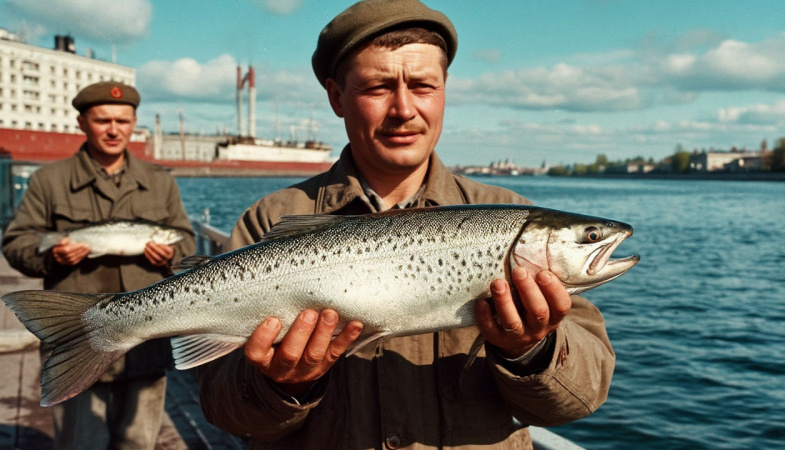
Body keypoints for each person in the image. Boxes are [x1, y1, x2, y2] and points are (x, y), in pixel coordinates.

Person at [197, 0, 614, 448]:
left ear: (445, 89)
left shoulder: (508, 209)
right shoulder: (268, 219)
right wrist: (282, 386)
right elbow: (224, 409)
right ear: (337, 97)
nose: (403, 109)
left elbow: (581, 399)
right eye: (378, 87)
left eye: (422, 85)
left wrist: (531, 349)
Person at [2, 81, 196, 449]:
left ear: (134, 122)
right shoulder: (49, 181)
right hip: (78, 335)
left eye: (122, 121)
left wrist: (170, 255)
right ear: (81, 123)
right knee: (80, 441)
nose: (113, 129)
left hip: (146, 339)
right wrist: (50, 256)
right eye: (102, 120)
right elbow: (16, 242)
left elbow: (185, 240)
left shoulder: (160, 182)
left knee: (139, 442)